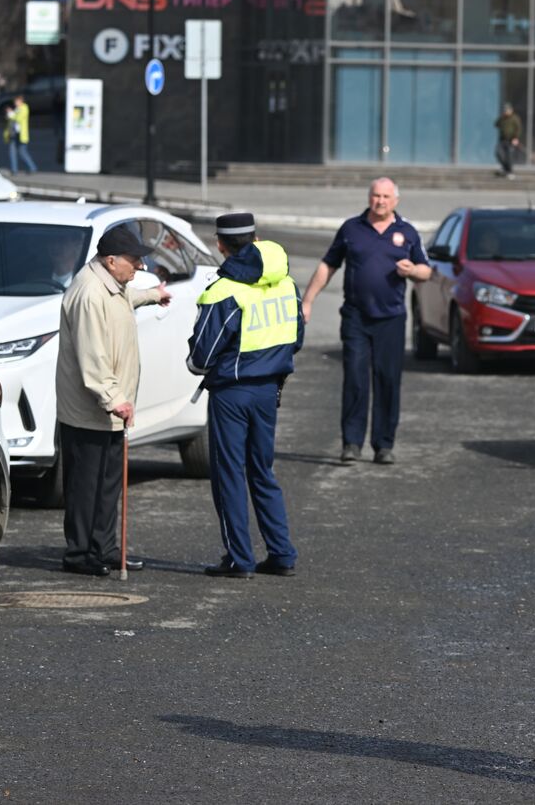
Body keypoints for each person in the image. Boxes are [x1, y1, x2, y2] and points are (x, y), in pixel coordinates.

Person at [188, 213, 304, 579]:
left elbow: (201, 357)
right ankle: (282, 553)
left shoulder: (223, 290)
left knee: (229, 475)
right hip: (269, 390)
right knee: (262, 470)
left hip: (232, 393)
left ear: (220, 244)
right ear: (255, 238)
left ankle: (240, 559)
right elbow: (296, 338)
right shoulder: (285, 282)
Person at [55, 226, 170, 576]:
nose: (139, 265)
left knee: (108, 482)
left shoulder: (111, 284)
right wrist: (114, 398)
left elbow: (122, 301)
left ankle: (103, 548)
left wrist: (151, 295)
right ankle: (80, 554)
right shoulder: (89, 293)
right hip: (90, 409)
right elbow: (93, 356)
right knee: (86, 485)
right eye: (134, 260)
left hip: (109, 409)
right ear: (111, 260)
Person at [301, 178, 432, 465]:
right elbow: (328, 265)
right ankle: (351, 443)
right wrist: (308, 301)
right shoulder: (351, 229)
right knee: (355, 379)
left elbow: (426, 271)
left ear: (396, 200)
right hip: (356, 316)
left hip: (391, 318)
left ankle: (384, 445)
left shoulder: (407, 232)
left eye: (386, 196)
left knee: (387, 380)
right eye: (376, 195)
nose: (380, 201)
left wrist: (412, 270)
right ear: (369, 197)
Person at [4, 94, 37, 175]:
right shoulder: (16, 109)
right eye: (15, 102)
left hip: (21, 135)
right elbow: (10, 120)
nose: (15, 103)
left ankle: (32, 167)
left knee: (22, 152)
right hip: (14, 134)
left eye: (17, 101)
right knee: (12, 152)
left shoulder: (24, 108)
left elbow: (18, 118)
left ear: (21, 101)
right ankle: (14, 170)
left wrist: (11, 114)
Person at [494, 103, 522, 179]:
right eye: (505, 110)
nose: (506, 111)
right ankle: (505, 168)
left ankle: (510, 171)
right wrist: (501, 117)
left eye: (507, 110)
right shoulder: (502, 118)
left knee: (509, 156)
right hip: (502, 140)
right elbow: (496, 124)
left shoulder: (515, 118)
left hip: (511, 140)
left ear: (511, 110)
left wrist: (516, 138)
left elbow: (518, 129)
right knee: (498, 153)